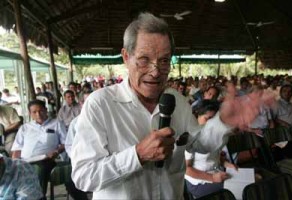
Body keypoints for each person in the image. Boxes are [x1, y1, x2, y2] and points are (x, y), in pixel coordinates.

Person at [71, 12, 274, 199]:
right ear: (126, 57)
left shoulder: (176, 100)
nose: (155, 71)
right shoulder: (100, 104)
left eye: (164, 61)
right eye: (144, 60)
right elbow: (83, 176)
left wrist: (224, 121)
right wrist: (137, 155)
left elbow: (200, 144)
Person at [11, 99, 66, 197]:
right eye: (34, 112)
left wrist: (56, 151)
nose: (38, 114)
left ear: (46, 109)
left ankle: (39, 196)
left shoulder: (56, 124)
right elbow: (17, 148)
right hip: (25, 161)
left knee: (40, 170)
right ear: (30, 113)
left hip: (46, 160)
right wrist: (14, 163)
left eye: (41, 111)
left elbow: (65, 143)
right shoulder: (25, 128)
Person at [185, 100, 237, 198]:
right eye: (207, 119)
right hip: (198, 182)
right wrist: (212, 177)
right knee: (242, 187)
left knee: (256, 178)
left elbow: (215, 156)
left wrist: (226, 164)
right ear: (197, 117)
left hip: (216, 173)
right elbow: (186, 169)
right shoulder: (190, 138)